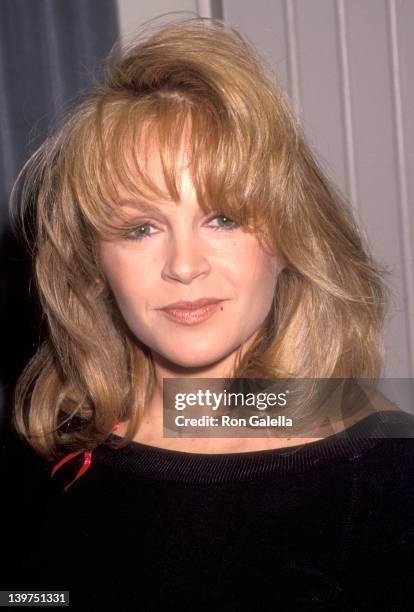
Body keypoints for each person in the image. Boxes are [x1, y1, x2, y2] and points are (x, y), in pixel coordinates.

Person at [6, 16, 414, 611]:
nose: (185, 266)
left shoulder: (383, 477)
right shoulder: (53, 451)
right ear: (93, 263)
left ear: (290, 236)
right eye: (140, 228)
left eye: (223, 217)